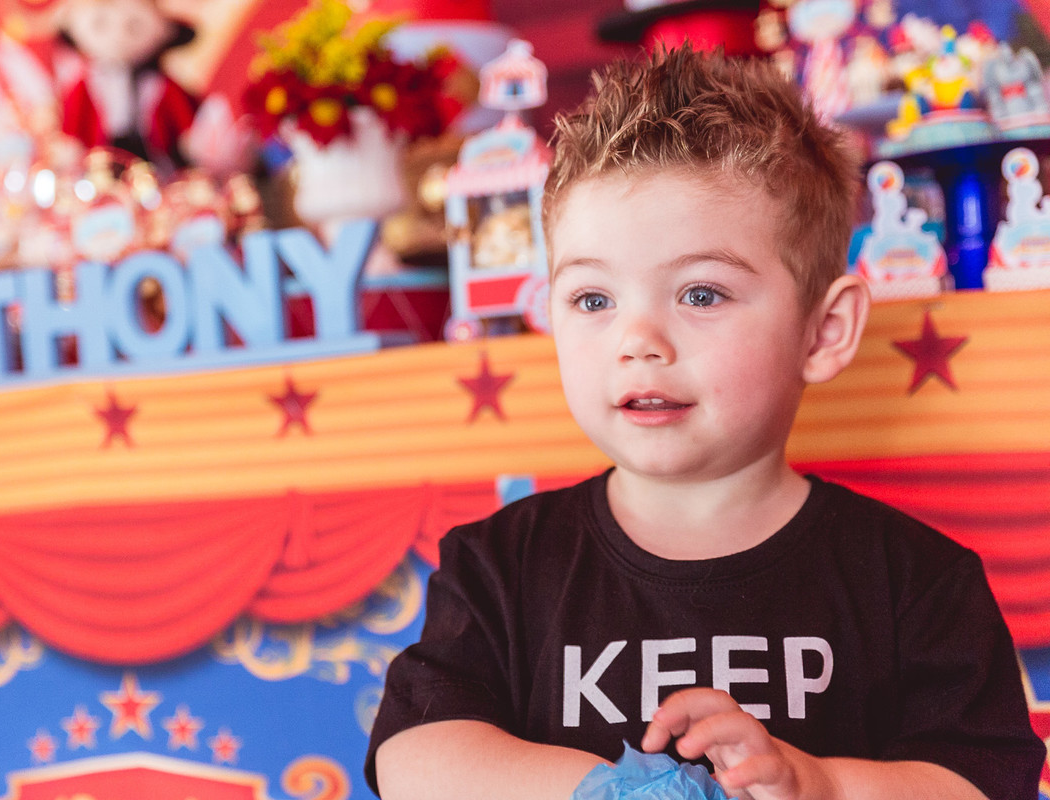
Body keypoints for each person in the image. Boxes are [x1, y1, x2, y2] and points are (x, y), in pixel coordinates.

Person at [365, 44, 1045, 800]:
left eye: (700, 294)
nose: (638, 340)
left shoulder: (917, 579)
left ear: (823, 333)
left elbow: (978, 785)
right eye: (594, 300)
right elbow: (414, 758)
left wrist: (819, 785)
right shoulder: (502, 564)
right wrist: (612, 789)